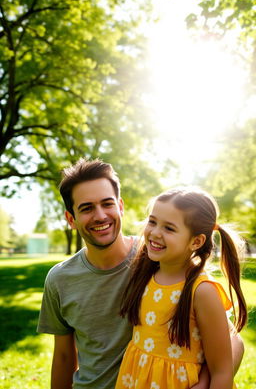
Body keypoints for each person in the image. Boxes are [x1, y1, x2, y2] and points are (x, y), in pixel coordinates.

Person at [37, 159, 244, 389]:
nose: (100, 216)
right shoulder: (59, 280)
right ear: (70, 219)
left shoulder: (158, 258)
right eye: (86, 208)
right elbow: (64, 357)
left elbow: (232, 341)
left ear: (121, 206)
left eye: (107, 204)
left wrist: (205, 383)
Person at [115, 187, 247, 389]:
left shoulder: (202, 291)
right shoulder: (146, 273)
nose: (155, 233)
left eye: (169, 228)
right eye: (152, 221)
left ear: (196, 241)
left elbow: (222, 371)